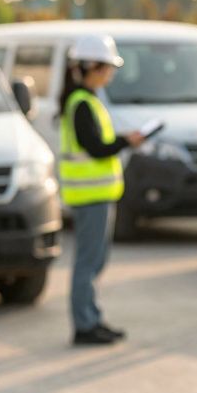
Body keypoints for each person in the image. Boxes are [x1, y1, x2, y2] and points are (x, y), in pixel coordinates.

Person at [58, 33, 144, 346]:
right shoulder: (81, 103)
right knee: (88, 263)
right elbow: (95, 147)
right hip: (90, 196)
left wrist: (121, 139)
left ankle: (91, 318)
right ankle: (85, 324)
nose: (110, 73)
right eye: (107, 67)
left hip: (96, 195)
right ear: (91, 66)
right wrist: (126, 141)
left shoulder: (86, 100)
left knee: (93, 262)